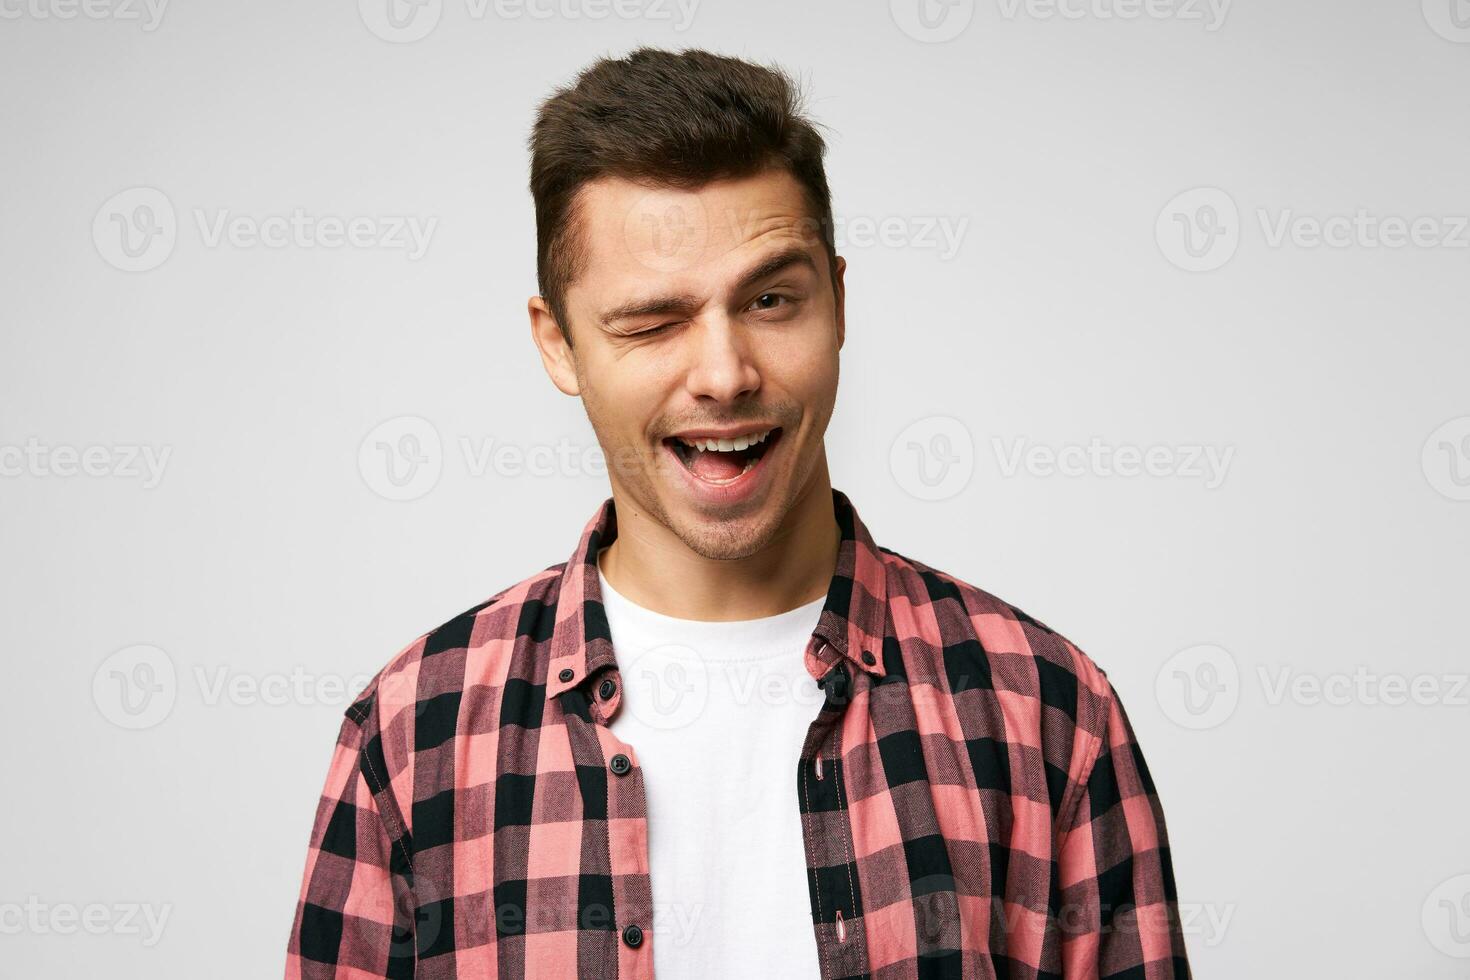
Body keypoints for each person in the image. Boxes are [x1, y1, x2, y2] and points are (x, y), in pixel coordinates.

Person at [285, 45, 1191, 980]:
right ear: (558, 346)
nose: (725, 375)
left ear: (838, 300)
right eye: (651, 322)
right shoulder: (413, 733)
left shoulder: (1045, 710)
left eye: (769, 300)